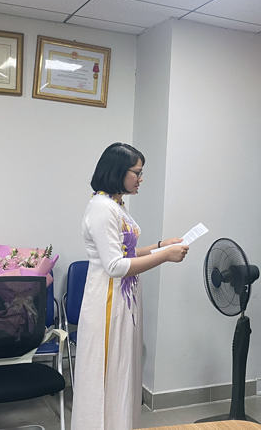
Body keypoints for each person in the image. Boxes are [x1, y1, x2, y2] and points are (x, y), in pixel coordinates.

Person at [71, 143, 189, 430]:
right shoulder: (102, 208)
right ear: (117, 172)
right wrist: (164, 257)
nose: (141, 178)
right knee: (108, 376)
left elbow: (127, 253)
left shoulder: (116, 205)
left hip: (124, 303)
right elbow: (114, 266)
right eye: (137, 172)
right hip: (107, 304)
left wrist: (160, 246)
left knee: (122, 374)